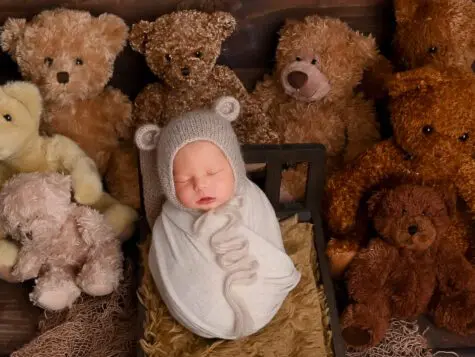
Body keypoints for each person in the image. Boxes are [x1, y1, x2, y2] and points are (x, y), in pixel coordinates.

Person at [135, 96, 300, 340]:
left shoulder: (250, 198)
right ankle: (212, 312)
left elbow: (268, 236)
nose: (200, 185)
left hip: (263, 297)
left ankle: (253, 301)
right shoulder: (169, 221)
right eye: (183, 180)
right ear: (168, 184)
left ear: (234, 166)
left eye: (212, 172)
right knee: (203, 282)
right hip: (201, 317)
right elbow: (170, 264)